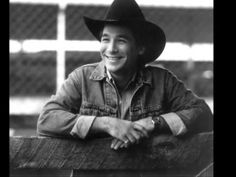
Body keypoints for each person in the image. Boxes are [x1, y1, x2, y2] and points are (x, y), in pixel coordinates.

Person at [37, 0, 213, 150]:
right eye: (105, 39)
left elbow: (203, 115)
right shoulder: (82, 78)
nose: (111, 49)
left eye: (121, 40)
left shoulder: (162, 81)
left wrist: (153, 123)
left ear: (140, 48)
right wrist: (106, 124)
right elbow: (47, 120)